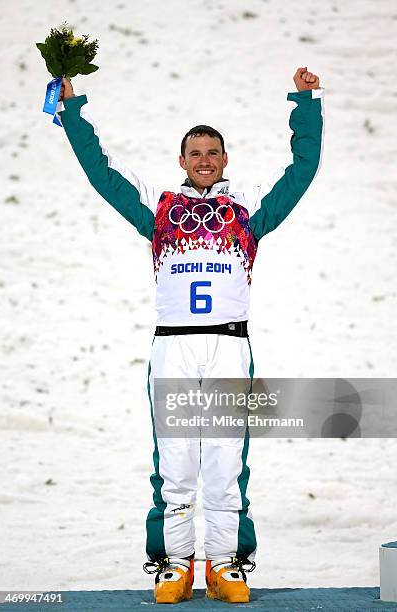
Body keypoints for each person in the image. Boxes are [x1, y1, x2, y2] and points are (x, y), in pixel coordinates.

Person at [58, 66, 324, 604]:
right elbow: (100, 171)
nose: (204, 160)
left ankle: (226, 563)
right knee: (175, 466)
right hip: (172, 347)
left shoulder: (249, 207)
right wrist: (71, 109)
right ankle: (174, 564)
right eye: (195, 153)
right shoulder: (158, 207)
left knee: (226, 464)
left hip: (228, 345)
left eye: (213, 152)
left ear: (225, 160)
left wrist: (305, 101)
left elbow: (303, 168)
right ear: (182, 161)